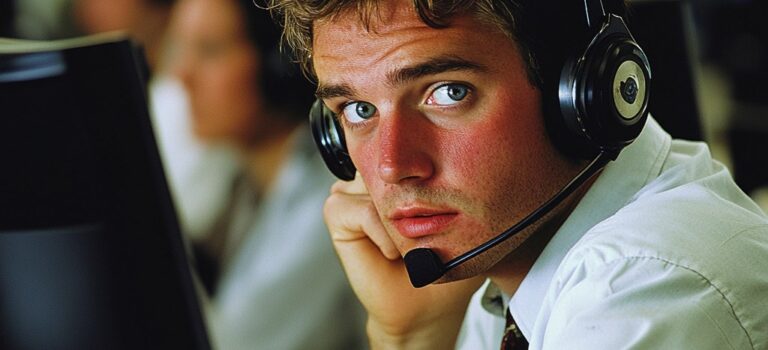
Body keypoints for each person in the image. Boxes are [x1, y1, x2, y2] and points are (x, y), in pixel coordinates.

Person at [266, 0, 768, 349]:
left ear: (580, 93)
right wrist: (410, 339)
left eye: (448, 92)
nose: (393, 167)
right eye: (356, 109)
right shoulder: (517, 281)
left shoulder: (646, 289)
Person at [168, 0, 366, 349]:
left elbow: (234, 342)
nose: (183, 74)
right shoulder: (239, 183)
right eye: (183, 49)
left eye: (210, 50)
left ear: (279, 64)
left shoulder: (328, 197)